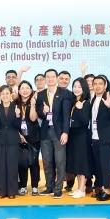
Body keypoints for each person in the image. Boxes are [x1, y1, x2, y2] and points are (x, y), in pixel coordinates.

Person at [36, 68, 72, 198]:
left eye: (52, 76)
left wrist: (65, 132)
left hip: (59, 132)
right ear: (45, 79)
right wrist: (44, 111)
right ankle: (49, 187)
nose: (50, 79)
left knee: (60, 160)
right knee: (47, 161)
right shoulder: (41, 94)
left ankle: (58, 188)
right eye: (48, 77)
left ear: (57, 78)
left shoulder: (64, 93)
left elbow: (66, 115)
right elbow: (39, 113)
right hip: (45, 132)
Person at [87, 76, 110, 201]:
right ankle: (99, 187)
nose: (98, 86)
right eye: (95, 84)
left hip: (106, 137)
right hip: (94, 136)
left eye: (100, 83)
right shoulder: (93, 99)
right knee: (98, 164)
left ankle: (107, 189)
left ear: (105, 85)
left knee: (105, 164)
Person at [0, 85, 26, 199]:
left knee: (12, 166)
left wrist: (17, 116)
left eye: (7, 93)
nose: (5, 96)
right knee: (0, 166)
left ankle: (12, 191)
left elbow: (17, 127)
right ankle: (1, 191)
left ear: (11, 94)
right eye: (2, 94)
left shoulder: (16, 107)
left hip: (13, 140)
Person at [66, 79, 92, 199]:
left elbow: (86, 121)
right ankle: (78, 188)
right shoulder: (73, 101)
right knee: (76, 161)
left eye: (79, 87)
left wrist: (81, 109)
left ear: (84, 88)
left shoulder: (86, 102)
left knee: (82, 162)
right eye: (75, 86)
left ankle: (82, 189)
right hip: (73, 134)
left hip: (82, 135)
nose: (76, 89)